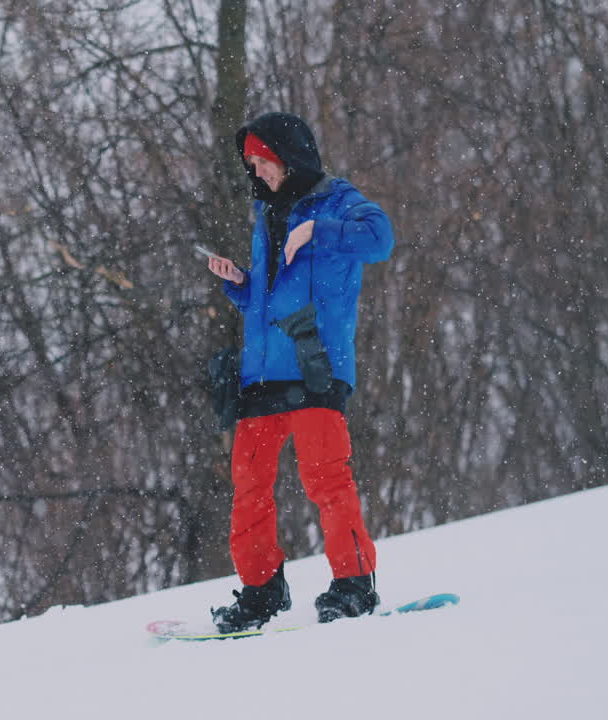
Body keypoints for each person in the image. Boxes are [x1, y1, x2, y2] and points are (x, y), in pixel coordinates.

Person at [205, 111, 394, 632]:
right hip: (261, 370)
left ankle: (353, 585)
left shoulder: (338, 202)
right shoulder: (263, 216)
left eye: (264, 162)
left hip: (315, 365)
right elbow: (266, 300)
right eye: (252, 165)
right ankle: (261, 591)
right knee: (248, 485)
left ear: (290, 157)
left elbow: (381, 239)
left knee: (325, 477)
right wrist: (240, 282)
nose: (258, 173)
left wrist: (319, 229)